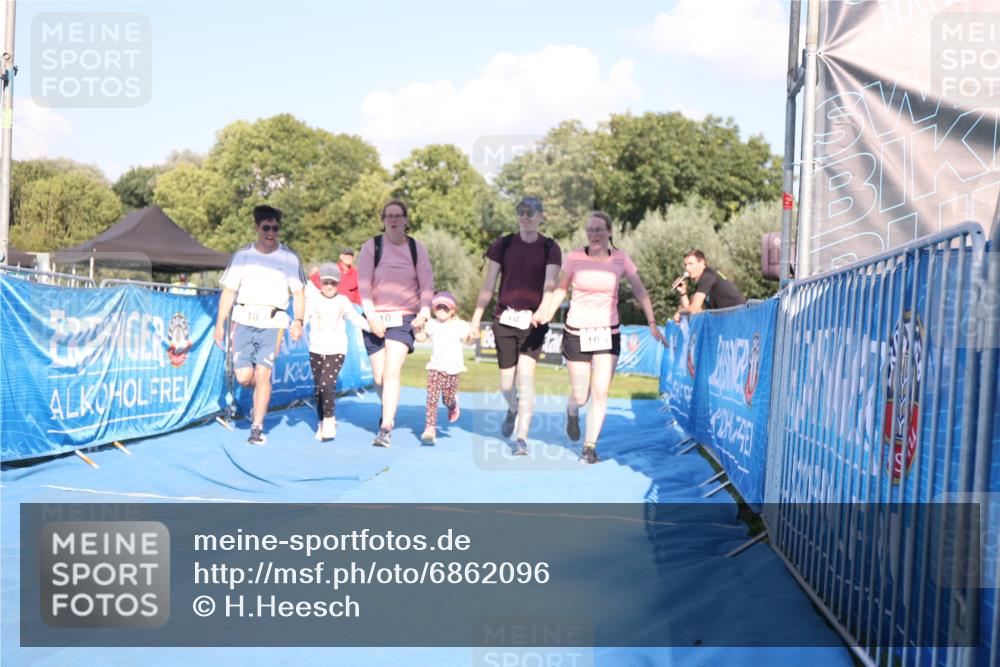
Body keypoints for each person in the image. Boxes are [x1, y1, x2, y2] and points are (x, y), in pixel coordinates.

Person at [541, 211, 666, 464]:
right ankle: (572, 409)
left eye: (599, 229)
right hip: (577, 332)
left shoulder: (621, 259)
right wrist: (546, 313)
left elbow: (640, 290)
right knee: (581, 395)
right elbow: (561, 289)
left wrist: (652, 323)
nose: (594, 234)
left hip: (607, 333)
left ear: (609, 232)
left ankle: (589, 447)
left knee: (601, 392)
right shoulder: (575, 257)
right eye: (590, 230)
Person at [469, 196, 561, 456]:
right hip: (505, 319)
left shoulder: (550, 247)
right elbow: (488, 284)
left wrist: (544, 310)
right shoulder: (503, 244)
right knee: (506, 384)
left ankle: (521, 438)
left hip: (534, 322)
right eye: (521, 212)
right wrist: (476, 318)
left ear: (541, 216)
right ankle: (512, 407)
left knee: (526, 379)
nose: (525, 217)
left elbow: (550, 284)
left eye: (530, 212)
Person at [215, 205, 305, 445]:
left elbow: (299, 293)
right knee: (245, 377)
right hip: (244, 320)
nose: (271, 233)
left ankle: (257, 427)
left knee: (264, 374)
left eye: (275, 228)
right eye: (266, 228)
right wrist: (219, 324)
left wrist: (298, 321)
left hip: (273, 322)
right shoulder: (242, 256)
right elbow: (229, 292)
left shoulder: (289, 258)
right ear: (257, 228)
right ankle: (259, 395)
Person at [357, 199, 434, 448]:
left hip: (404, 317)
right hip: (374, 316)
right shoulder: (372, 246)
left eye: (398, 216)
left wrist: (424, 312)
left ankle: (386, 428)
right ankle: (387, 410)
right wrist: (371, 317)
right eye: (388, 216)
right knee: (379, 378)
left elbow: (427, 284)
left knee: (391, 372)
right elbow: (364, 285)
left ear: (405, 220)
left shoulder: (416, 248)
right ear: (383, 220)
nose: (393, 220)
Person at [305, 262, 370, 441]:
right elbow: (302, 319)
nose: (329, 286)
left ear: (338, 284)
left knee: (327, 383)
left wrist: (373, 327)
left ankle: (329, 419)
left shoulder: (343, 301)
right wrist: (294, 328)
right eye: (326, 282)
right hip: (316, 349)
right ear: (320, 282)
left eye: (333, 283)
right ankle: (321, 421)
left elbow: (356, 319)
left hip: (336, 349)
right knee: (318, 388)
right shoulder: (313, 300)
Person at [414, 291, 471, 445]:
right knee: (431, 398)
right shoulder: (431, 324)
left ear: (453, 310)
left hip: (453, 369)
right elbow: (420, 338)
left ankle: (453, 404)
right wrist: (416, 328)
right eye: (438, 307)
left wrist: (475, 336)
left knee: (447, 398)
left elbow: (469, 340)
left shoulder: (460, 325)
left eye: (445, 307)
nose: (441, 310)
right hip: (435, 367)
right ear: (433, 309)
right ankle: (430, 428)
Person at [673, 249, 746, 321]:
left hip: (739, 317)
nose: (687, 268)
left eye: (690, 264)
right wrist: (683, 293)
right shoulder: (703, 281)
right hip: (730, 318)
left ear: (702, 263)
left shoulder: (707, 276)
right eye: (685, 265)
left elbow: (693, 309)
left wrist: (680, 313)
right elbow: (692, 310)